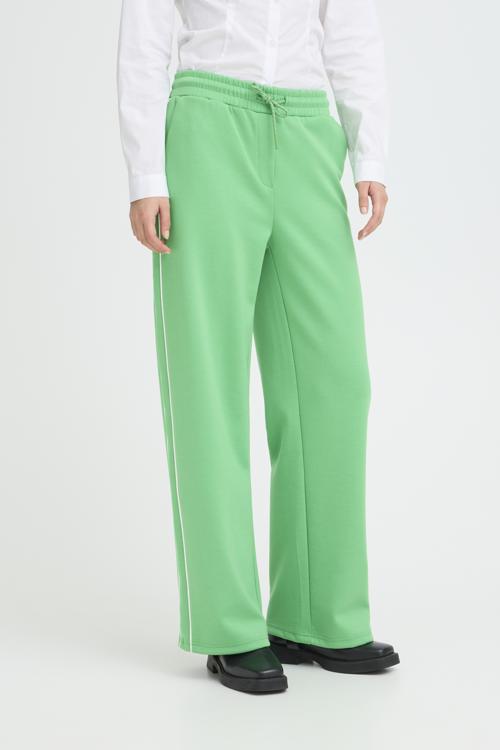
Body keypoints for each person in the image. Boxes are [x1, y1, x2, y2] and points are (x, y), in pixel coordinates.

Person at [117, 0, 399, 694]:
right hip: (207, 125)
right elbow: (146, 34)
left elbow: (351, 27)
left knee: (334, 382)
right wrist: (147, 174)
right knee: (208, 379)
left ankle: (317, 615)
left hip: (307, 128)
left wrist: (369, 150)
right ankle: (228, 624)